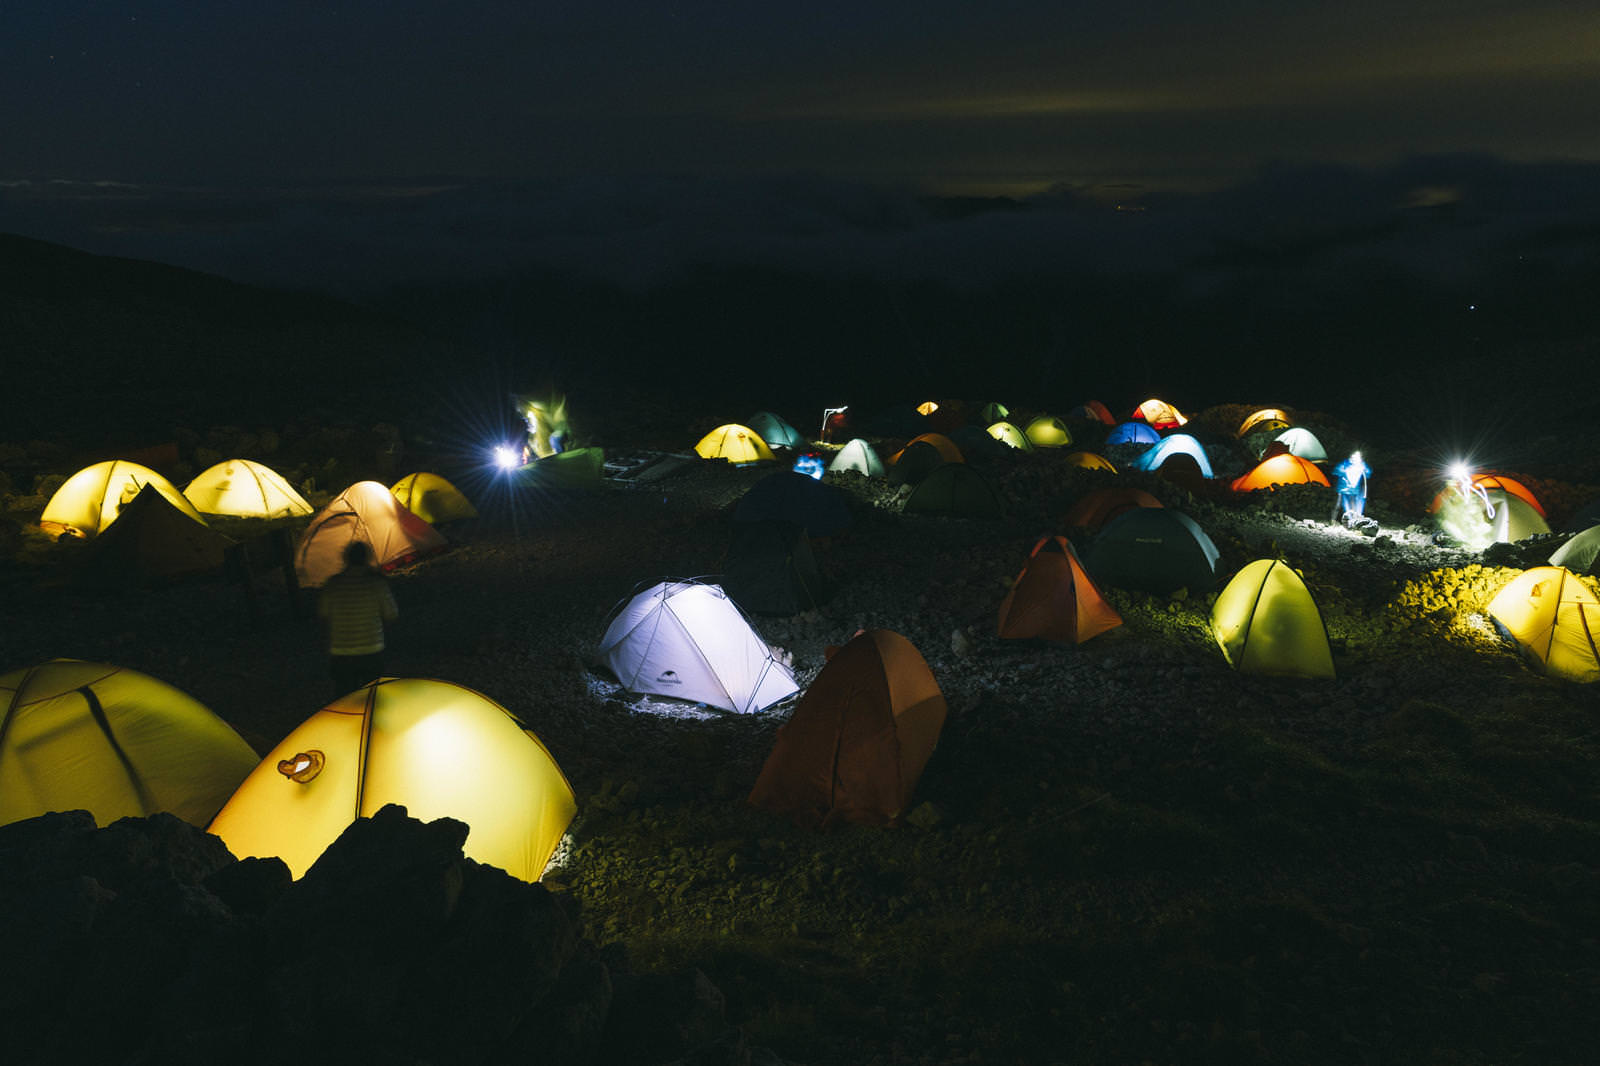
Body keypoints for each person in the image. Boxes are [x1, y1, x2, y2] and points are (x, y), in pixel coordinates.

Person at [319, 540, 398, 697]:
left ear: (345, 558)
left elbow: (323, 613)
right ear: (367, 558)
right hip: (372, 649)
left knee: (344, 698)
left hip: (340, 652)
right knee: (372, 696)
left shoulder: (333, 584)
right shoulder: (376, 583)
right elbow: (391, 614)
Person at [1331, 450, 1371, 526]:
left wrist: (1364, 469)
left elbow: (1368, 474)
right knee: (1337, 505)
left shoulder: (1361, 465)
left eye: (1358, 456)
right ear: (1351, 456)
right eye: (1354, 456)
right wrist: (1345, 470)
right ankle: (1333, 520)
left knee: (1353, 508)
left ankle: (1352, 522)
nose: (1356, 458)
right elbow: (1335, 471)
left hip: (1354, 490)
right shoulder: (1345, 464)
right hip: (1342, 489)